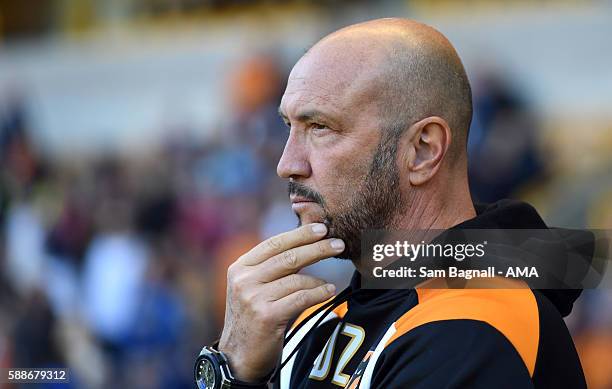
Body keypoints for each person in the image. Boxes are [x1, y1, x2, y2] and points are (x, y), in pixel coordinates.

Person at [194, 18, 587, 388]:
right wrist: (234, 365)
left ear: (422, 150)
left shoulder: (472, 327)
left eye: (320, 128)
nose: (287, 164)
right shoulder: (325, 314)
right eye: (288, 127)